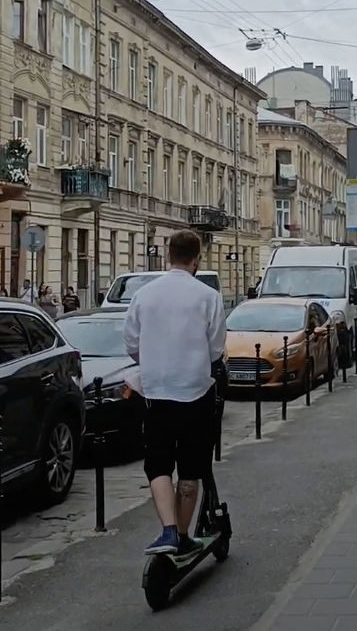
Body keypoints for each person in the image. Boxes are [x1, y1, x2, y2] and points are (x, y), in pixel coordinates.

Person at [122, 229, 227, 559]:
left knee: (158, 463)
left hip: (156, 391)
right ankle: (182, 535)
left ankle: (167, 529)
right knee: (192, 467)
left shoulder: (145, 295)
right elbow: (216, 349)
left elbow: (131, 344)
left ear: (169, 255)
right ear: (196, 258)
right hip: (195, 391)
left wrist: (154, 361)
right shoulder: (207, 297)